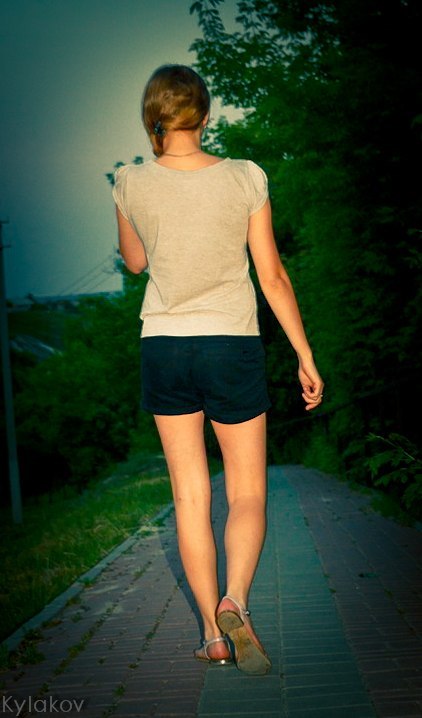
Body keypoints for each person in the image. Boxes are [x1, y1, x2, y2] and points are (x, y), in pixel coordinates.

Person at [112, 64, 324, 676]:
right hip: (232, 343)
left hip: (164, 345)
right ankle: (237, 600)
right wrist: (305, 355)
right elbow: (272, 276)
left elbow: (134, 262)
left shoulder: (129, 181)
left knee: (189, 495)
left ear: (153, 118)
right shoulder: (245, 176)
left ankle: (211, 634)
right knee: (247, 491)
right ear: (205, 115)